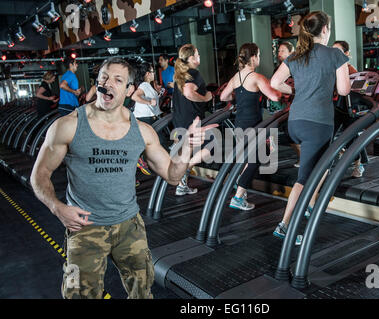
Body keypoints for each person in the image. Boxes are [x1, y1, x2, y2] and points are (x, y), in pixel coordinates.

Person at [30, 57, 217, 299]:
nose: (108, 84)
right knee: (79, 295)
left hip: (129, 226)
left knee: (142, 292)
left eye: (118, 80)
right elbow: (40, 174)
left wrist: (186, 147)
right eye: (104, 77)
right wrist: (57, 208)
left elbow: (173, 176)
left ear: (129, 90)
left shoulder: (143, 132)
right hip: (85, 227)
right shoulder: (68, 126)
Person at [271, 11, 350, 245]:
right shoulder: (335, 54)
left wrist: (295, 91)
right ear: (325, 29)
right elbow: (344, 90)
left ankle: (309, 203)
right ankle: (285, 225)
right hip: (318, 123)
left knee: (322, 163)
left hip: (295, 122)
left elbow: (275, 83)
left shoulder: (297, 55)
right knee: (303, 178)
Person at [220, 43, 281, 211]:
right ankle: (238, 195)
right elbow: (274, 96)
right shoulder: (256, 77)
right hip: (253, 125)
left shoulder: (236, 77)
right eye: (259, 55)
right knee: (258, 158)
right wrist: (283, 90)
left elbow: (223, 96)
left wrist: (237, 97)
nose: (259, 58)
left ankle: (240, 186)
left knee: (248, 158)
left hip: (239, 123)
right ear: (253, 57)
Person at [172, 44, 213, 196]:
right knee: (211, 146)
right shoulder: (194, 73)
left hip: (180, 119)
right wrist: (205, 98)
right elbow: (189, 93)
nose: (200, 57)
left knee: (187, 152)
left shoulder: (180, 75)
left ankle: (182, 184)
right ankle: (185, 168)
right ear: (191, 58)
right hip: (192, 121)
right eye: (198, 54)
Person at [332, 40, 365, 178]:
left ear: (346, 54)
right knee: (328, 135)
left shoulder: (351, 70)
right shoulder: (331, 69)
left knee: (351, 137)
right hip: (336, 107)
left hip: (349, 108)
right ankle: (341, 154)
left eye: (338, 51)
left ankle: (359, 164)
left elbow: (359, 89)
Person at [273, 42, 301, 168]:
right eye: (278, 51)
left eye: (282, 51)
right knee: (289, 132)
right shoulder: (278, 70)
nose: (279, 53)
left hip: (298, 106)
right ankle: (302, 157)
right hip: (286, 108)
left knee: (293, 133)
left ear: (291, 52)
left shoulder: (297, 67)